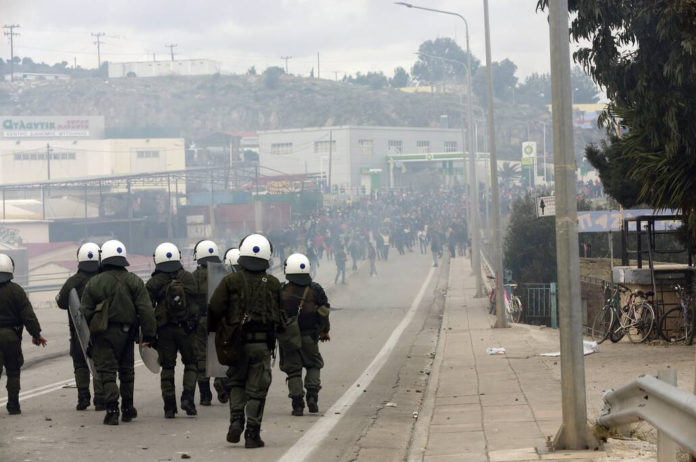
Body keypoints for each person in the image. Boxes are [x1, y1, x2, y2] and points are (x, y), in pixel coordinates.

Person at [209, 234, 284, 449]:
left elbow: (215, 307)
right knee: (257, 389)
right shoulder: (273, 282)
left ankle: (235, 421)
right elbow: (281, 314)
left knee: (236, 382)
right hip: (262, 345)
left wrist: (219, 331)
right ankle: (252, 433)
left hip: (236, 343)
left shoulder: (230, 280)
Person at [80, 240, 156, 425]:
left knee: (107, 372)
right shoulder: (134, 281)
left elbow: (84, 311)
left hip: (103, 335)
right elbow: (146, 309)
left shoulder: (94, 282)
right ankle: (128, 408)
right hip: (127, 333)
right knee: (127, 371)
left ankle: (112, 410)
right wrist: (149, 335)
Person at [146, 242, 199, 418]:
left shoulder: (154, 282)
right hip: (186, 329)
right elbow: (197, 302)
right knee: (191, 363)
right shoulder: (188, 277)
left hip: (165, 331)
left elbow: (146, 309)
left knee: (167, 367)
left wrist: (149, 334)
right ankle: (188, 398)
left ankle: (169, 406)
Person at [279, 253, 330, 416]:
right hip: (310, 336)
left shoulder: (282, 291)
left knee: (293, 370)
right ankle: (312, 396)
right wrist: (324, 331)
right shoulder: (315, 289)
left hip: (288, 338)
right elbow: (324, 311)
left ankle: (297, 403)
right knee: (314, 364)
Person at [56, 242, 104, 411]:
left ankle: (83, 398)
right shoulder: (104, 278)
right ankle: (100, 399)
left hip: (78, 331)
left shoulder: (73, 281)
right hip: (101, 330)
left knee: (80, 364)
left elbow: (62, 303)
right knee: (100, 363)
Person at [0, 253, 47, 415]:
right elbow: (28, 315)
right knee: (13, 372)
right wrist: (36, 334)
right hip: (11, 337)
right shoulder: (17, 291)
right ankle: (13, 405)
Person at [191, 240, 227, 406]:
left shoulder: (194, 276)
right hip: (220, 319)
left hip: (201, 321)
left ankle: (205, 394)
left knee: (201, 357)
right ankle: (221, 384)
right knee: (220, 352)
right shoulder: (225, 274)